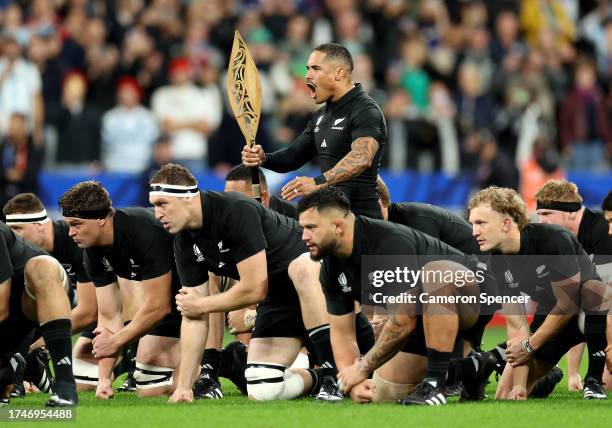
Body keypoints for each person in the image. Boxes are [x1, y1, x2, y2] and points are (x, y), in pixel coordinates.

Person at [148, 163, 341, 403]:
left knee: (302, 267)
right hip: (278, 297)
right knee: (263, 389)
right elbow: (193, 312)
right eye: (154, 205)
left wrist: (204, 304)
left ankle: (335, 378)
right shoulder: (183, 242)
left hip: (319, 283)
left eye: (162, 204)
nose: (157, 214)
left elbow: (254, 288)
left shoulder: (235, 210)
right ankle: (320, 378)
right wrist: (185, 387)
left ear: (188, 198)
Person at [297, 187, 497, 405]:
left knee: (435, 273)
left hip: (474, 294)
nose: (304, 236)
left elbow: (403, 321)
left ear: (337, 225)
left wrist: (363, 367)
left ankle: (434, 384)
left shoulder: (389, 243)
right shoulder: (331, 267)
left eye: (311, 228)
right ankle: (474, 367)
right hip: (423, 313)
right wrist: (352, 382)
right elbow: (343, 334)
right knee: (384, 394)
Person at [468, 187, 611, 400]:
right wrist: (519, 386)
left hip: (593, 314)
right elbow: (516, 326)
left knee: (594, 291)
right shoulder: (495, 262)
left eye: (481, 223)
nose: (474, 231)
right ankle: (548, 378)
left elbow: (569, 303)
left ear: (506, 223)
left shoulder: (554, 239)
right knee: (505, 395)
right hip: (553, 317)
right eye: (472, 224)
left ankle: (594, 381)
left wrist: (530, 346)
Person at [57, 181, 182, 400]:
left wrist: (116, 341)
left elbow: (160, 306)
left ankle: (213, 363)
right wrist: (104, 378)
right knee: (83, 375)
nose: (71, 233)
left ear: (102, 219)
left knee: (149, 386)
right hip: (155, 302)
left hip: (195, 295)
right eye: (69, 225)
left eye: (76, 224)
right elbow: (108, 315)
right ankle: (129, 360)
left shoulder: (143, 232)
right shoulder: (92, 250)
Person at [242, 43, 387, 219]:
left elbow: (362, 158)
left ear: (339, 73)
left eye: (315, 69)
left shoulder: (365, 110)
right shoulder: (321, 116)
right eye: (307, 68)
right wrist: (263, 158)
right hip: (330, 219)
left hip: (362, 221)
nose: (307, 76)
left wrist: (317, 183)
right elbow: (293, 156)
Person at [3, 193, 97, 393]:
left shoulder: (76, 240)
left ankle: (130, 363)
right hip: (57, 319)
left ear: (40, 225)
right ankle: (22, 373)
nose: (13, 236)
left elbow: (90, 311)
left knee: (85, 381)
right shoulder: (15, 254)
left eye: (18, 228)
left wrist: (36, 346)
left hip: (107, 318)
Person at [535, 179, 612, 392]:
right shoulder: (554, 241)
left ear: (570, 213)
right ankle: (549, 370)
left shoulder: (603, 232)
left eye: (547, 214)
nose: (541, 221)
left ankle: (594, 380)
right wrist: (573, 373)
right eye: (539, 214)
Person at [0, 221, 77, 407]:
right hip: (10, 325)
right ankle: (15, 365)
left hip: (31, 296)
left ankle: (65, 385)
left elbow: (1, 308)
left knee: (41, 267)